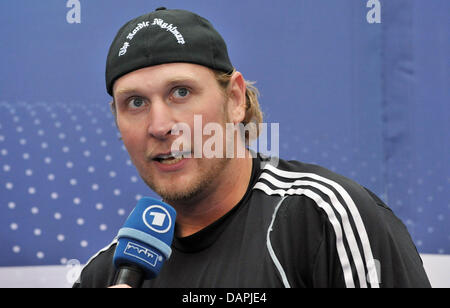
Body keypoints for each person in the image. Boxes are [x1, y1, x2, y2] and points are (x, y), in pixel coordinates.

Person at [73, 7, 431, 288]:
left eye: (181, 92)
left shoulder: (323, 220)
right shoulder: (106, 275)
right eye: (135, 103)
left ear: (235, 99)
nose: (159, 126)